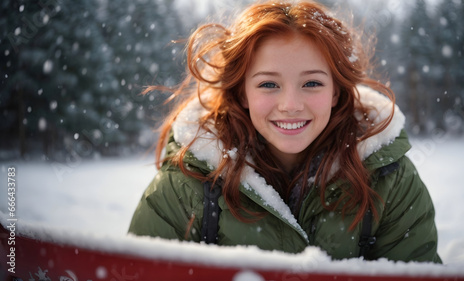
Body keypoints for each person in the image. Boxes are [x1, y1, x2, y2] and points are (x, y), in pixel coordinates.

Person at [129, 0, 441, 263]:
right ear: (241, 93)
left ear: (336, 92)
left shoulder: (389, 179)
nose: (290, 105)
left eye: (312, 83)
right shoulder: (186, 185)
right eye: (268, 84)